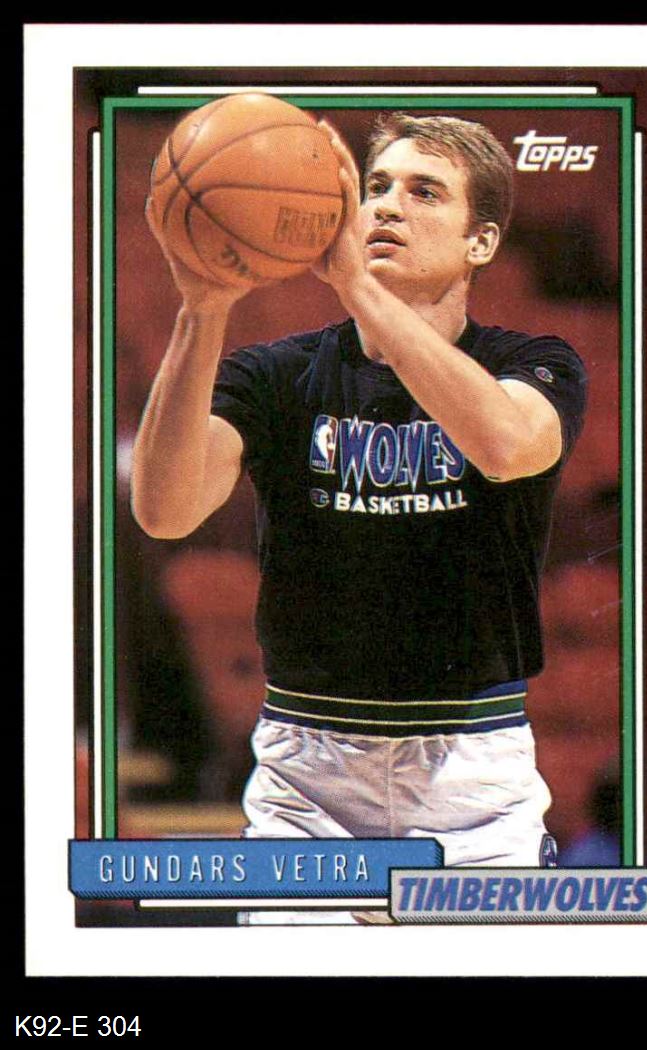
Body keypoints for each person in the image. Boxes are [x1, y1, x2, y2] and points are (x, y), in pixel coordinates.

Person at [131, 111, 587, 922]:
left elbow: (506, 446)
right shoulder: (275, 374)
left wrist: (357, 288)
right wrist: (201, 308)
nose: (386, 206)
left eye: (423, 192)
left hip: (470, 771)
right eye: (375, 186)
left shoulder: (533, 363)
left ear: (480, 242)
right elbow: (165, 512)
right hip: (309, 771)